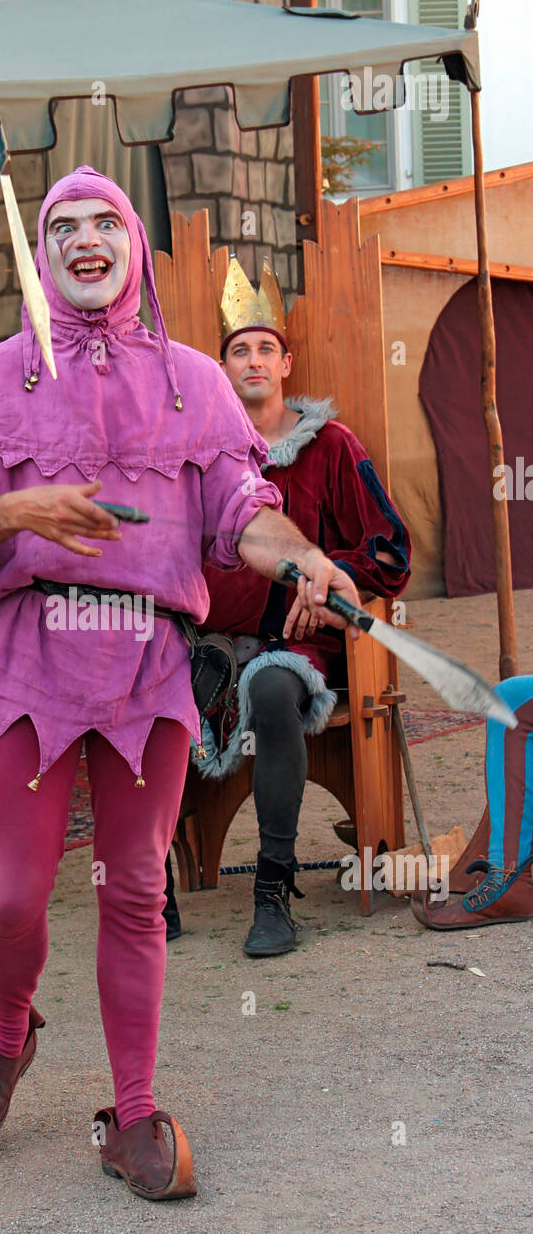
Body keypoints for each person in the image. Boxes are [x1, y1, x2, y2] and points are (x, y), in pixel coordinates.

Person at [0, 169, 362, 1201]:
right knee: (12, 897)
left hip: (146, 667)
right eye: (61, 225)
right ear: (40, 253)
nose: (84, 238)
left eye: (106, 221)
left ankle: (135, 1108)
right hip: (28, 659)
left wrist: (302, 560)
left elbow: (242, 510)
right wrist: (19, 515)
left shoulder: (196, 382)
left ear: (134, 247)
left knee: (136, 890)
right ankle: (9, 1031)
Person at [163, 258, 411, 957]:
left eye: (265, 348)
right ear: (221, 367)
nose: (254, 361)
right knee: (146, 680)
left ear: (286, 362)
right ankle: (152, 889)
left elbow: (391, 552)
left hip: (299, 646)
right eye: (239, 350)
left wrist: (331, 585)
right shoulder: (203, 460)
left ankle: (272, 889)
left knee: (272, 690)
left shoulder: (331, 447)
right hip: (211, 641)